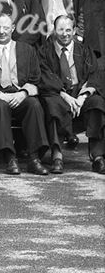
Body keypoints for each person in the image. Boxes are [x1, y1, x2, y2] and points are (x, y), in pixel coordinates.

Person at [0, 13, 50, 176]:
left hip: (19, 94)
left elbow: (35, 79)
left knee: (34, 105)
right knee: (1, 106)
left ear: (13, 28)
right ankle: (10, 158)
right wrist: (0, 95)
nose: (2, 31)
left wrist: (23, 93)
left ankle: (34, 158)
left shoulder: (26, 49)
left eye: (6, 27)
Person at [38, 14, 105, 175]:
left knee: (97, 103)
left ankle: (97, 156)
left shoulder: (85, 50)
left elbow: (94, 75)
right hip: (58, 93)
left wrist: (82, 98)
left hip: (80, 93)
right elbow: (45, 77)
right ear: (55, 30)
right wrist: (66, 96)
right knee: (53, 105)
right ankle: (57, 156)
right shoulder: (44, 51)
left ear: (74, 30)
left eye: (68, 29)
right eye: (60, 29)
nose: (65, 33)